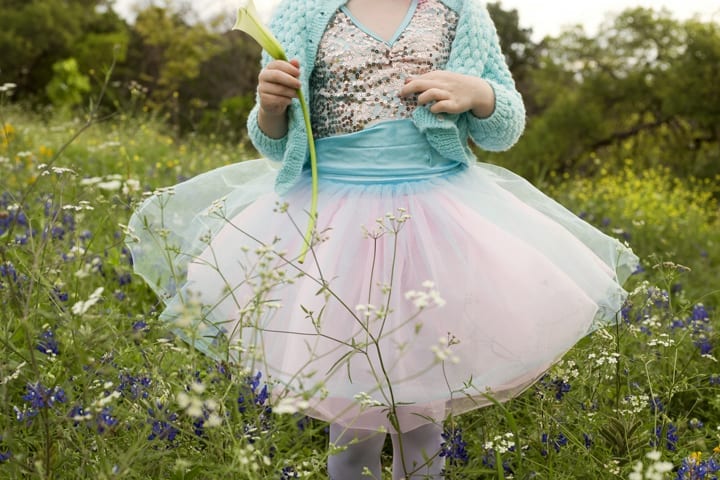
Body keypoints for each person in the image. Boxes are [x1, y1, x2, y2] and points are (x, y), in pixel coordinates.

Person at [127, 0, 639, 478]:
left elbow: (505, 126)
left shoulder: (458, 8)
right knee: (352, 424)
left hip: (434, 215)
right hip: (334, 218)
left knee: (422, 421)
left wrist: (478, 96)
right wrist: (269, 107)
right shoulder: (301, 11)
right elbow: (272, 141)